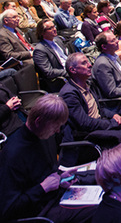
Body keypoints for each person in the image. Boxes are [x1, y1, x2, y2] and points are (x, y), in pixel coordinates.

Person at [0, 94, 96, 222]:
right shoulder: (13, 153)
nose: (57, 131)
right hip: (41, 211)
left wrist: (61, 178)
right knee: (101, 210)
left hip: (55, 195)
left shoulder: (44, 135)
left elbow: (44, 174)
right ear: (39, 121)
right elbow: (8, 209)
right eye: (56, 126)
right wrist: (42, 188)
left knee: (105, 177)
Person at [33, 19, 69, 92]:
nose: (54, 29)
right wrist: (67, 72)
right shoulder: (40, 50)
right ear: (42, 33)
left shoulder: (58, 40)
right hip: (61, 78)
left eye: (54, 26)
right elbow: (49, 72)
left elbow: (67, 56)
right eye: (50, 28)